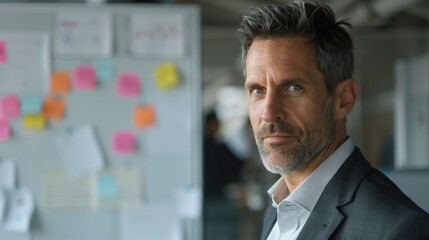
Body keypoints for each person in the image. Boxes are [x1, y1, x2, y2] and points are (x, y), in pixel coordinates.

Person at [236, 1, 429, 239]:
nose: (268, 112)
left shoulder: (397, 229)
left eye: (293, 88)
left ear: (343, 100)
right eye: (257, 90)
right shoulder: (277, 209)